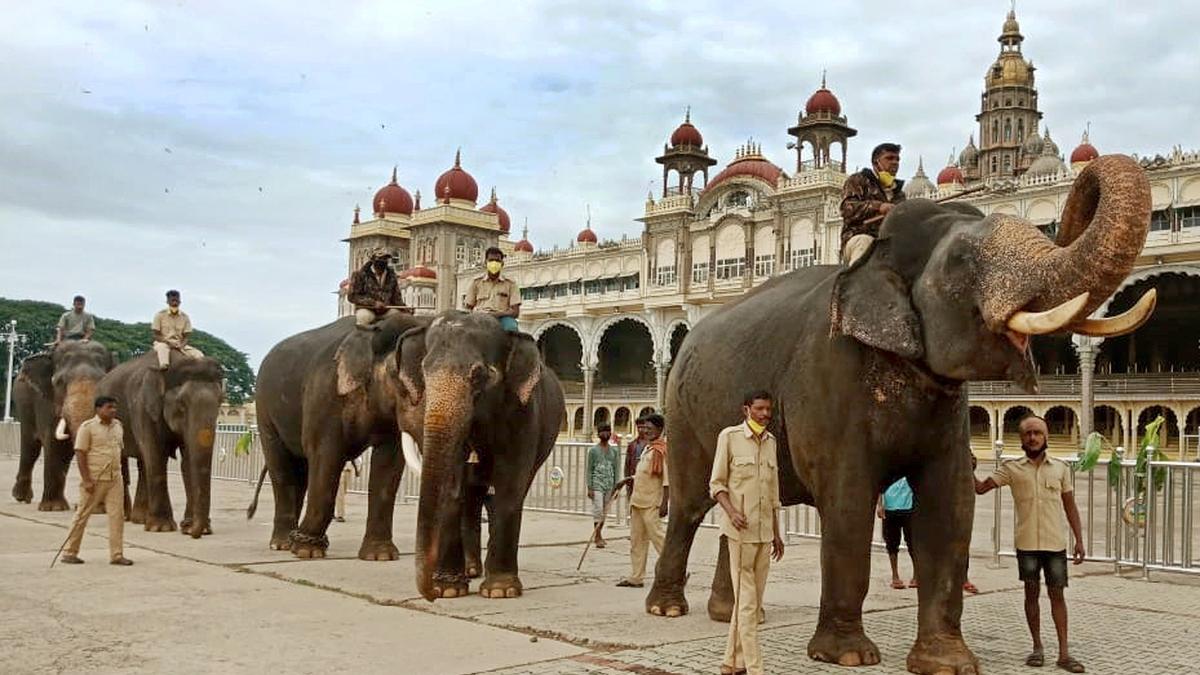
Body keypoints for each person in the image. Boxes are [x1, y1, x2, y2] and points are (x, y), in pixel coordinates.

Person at [974, 415, 1086, 673]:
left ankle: (1064, 653)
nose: (1033, 437)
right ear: (1021, 438)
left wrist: (1079, 539)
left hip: (1055, 543)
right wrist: (966, 467)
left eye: (1037, 433)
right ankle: (1037, 647)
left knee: (1057, 595)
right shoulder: (1012, 469)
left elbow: (1070, 506)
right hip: (1027, 544)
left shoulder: (1060, 468)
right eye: (1028, 433)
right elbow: (981, 488)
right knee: (1031, 594)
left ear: (1046, 436)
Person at [710, 390, 784, 675]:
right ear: (746, 410)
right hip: (740, 535)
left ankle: (731, 662)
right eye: (760, 409)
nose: (765, 414)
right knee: (748, 606)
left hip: (765, 534)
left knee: (750, 602)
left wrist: (777, 533)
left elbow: (773, 492)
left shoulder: (771, 442)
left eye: (768, 409)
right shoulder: (729, 438)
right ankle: (755, 668)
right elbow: (717, 485)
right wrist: (732, 511)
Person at [60, 396, 133, 566]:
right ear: (98, 409)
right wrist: (86, 480)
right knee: (82, 515)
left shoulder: (118, 426)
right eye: (109, 407)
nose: (113, 410)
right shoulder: (88, 428)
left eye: (115, 407)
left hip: (115, 478)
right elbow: (80, 453)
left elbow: (120, 452)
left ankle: (117, 554)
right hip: (94, 478)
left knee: (117, 516)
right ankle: (70, 552)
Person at [616, 413, 668, 588]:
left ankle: (675, 569)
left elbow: (667, 480)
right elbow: (643, 472)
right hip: (638, 500)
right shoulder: (648, 449)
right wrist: (627, 479)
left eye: (650, 428)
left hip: (652, 502)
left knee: (659, 538)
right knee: (637, 540)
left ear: (659, 429)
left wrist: (664, 503)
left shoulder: (662, 451)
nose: (646, 431)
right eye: (644, 428)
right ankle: (636, 576)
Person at [839, 142, 906, 264]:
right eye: (889, 158)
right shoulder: (858, 180)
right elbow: (846, 208)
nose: (895, 162)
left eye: (897, 159)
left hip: (888, 244)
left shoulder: (899, 194)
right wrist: (879, 207)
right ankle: (855, 282)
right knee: (865, 242)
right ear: (876, 162)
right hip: (858, 238)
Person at [465, 247, 521, 332]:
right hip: (479, 318)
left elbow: (515, 312)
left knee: (512, 328)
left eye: (497, 261)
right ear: (485, 262)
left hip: (502, 319)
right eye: (491, 260)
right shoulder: (476, 282)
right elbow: (468, 307)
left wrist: (496, 314)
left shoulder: (510, 284)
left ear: (502, 263)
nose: (494, 263)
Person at [349, 248, 407, 330]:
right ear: (373, 260)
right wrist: (373, 303)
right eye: (380, 258)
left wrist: (405, 309)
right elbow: (352, 296)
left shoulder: (391, 276)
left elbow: (396, 297)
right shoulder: (360, 274)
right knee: (364, 318)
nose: (383, 261)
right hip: (367, 310)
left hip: (386, 310)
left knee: (401, 319)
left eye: (385, 259)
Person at [877, 477, 916, 590]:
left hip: (908, 507)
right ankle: (895, 576)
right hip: (890, 508)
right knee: (892, 543)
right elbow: (880, 485)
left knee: (912, 542)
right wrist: (880, 505)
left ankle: (916, 575)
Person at [586, 424, 621, 548]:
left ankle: (599, 533)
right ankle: (597, 535)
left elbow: (616, 469)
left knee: (604, 511)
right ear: (598, 434)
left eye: (607, 431)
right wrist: (589, 487)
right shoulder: (593, 451)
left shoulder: (614, 451)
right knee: (598, 509)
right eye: (602, 432)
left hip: (609, 485)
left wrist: (616, 487)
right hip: (597, 484)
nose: (605, 434)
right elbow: (589, 470)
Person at [152, 290, 204, 370]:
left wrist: (181, 345)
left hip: (180, 344)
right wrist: (168, 342)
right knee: (163, 356)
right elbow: (156, 335)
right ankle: (163, 368)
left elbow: (186, 336)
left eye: (176, 300)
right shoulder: (160, 315)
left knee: (199, 355)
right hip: (163, 343)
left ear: (180, 301)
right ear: (167, 301)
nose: (174, 303)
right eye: (172, 300)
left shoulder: (185, 317)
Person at [624, 416, 650, 498]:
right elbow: (627, 464)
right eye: (639, 427)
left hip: (647, 479)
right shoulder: (632, 444)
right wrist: (627, 479)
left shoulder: (651, 445)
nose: (640, 430)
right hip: (633, 478)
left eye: (643, 427)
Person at [334, 457, 361, 523]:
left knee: (342, 493)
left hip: (348, 470)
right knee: (340, 494)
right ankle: (340, 515)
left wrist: (356, 469)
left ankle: (331, 511)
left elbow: (353, 458)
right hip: (340, 470)